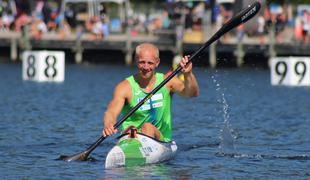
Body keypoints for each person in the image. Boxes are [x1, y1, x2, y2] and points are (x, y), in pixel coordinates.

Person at [102, 43, 199, 142]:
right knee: (131, 129)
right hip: (131, 136)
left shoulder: (168, 81)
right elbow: (111, 112)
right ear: (136, 61)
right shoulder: (125, 87)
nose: (145, 67)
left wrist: (188, 74)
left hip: (160, 140)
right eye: (142, 62)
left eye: (150, 63)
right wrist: (109, 124)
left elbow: (192, 93)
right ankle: (132, 146)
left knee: (147, 127)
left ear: (157, 63)